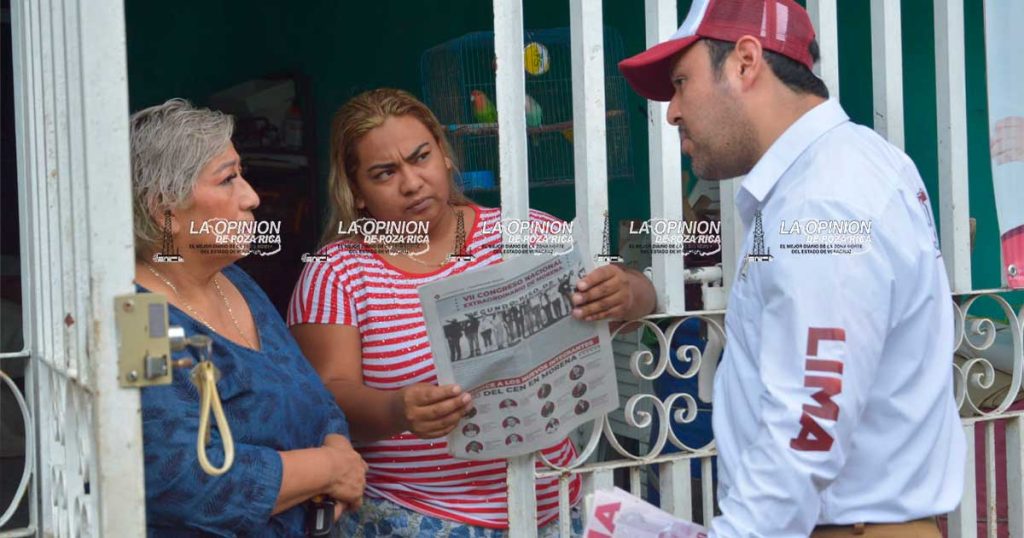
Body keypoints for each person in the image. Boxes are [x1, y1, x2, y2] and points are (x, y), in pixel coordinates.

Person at [619, 1, 965, 536]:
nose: (672, 112)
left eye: (682, 82)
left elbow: (808, 421)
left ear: (745, 63)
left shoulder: (822, 200)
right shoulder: (854, 166)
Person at [287, 88, 656, 536]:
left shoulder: (524, 233)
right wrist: (398, 410)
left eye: (420, 157)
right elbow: (329, 396)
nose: (411, 182)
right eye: (385, 173)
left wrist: (627, 291)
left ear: (444, 156)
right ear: (357, 192)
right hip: (411, 517)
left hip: (553, 511)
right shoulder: (338, 273)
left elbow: (637, 299)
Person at [130, 99, 367, 535]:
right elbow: (174, 476)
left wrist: (337, 449)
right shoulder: (137, 316)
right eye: (228, 180)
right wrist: (328, 468)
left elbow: (313, 400)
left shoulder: (237, 281)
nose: (251, 197)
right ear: (165, 210)